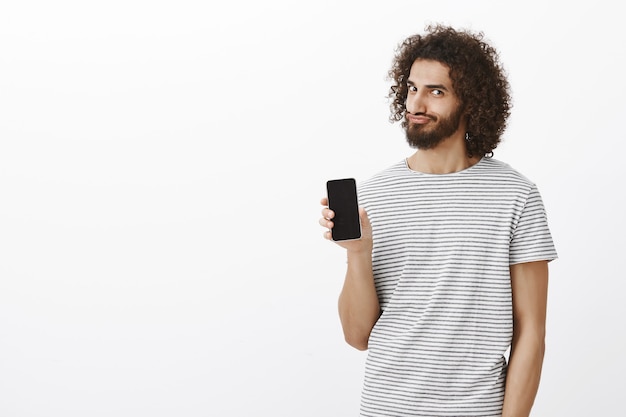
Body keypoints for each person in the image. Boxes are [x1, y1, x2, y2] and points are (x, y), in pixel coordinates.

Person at [319, 24, 557, 417]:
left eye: (436, 91)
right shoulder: (374, 196)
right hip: (385, 407)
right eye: (412, 88)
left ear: (472, 102)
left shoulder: (516, 196)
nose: (416, 104)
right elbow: (357, 336)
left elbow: (530, 331)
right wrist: (358, 254)